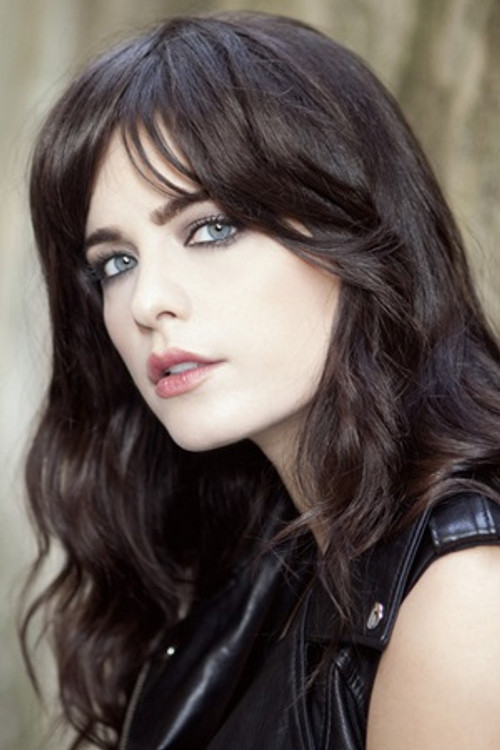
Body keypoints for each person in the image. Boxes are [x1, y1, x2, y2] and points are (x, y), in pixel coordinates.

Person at [21, 11, 500, 750]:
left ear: (352, 226)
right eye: (116, 262)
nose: (148, 302)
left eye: (211, 228)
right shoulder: (258, 550)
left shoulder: (464, 597)